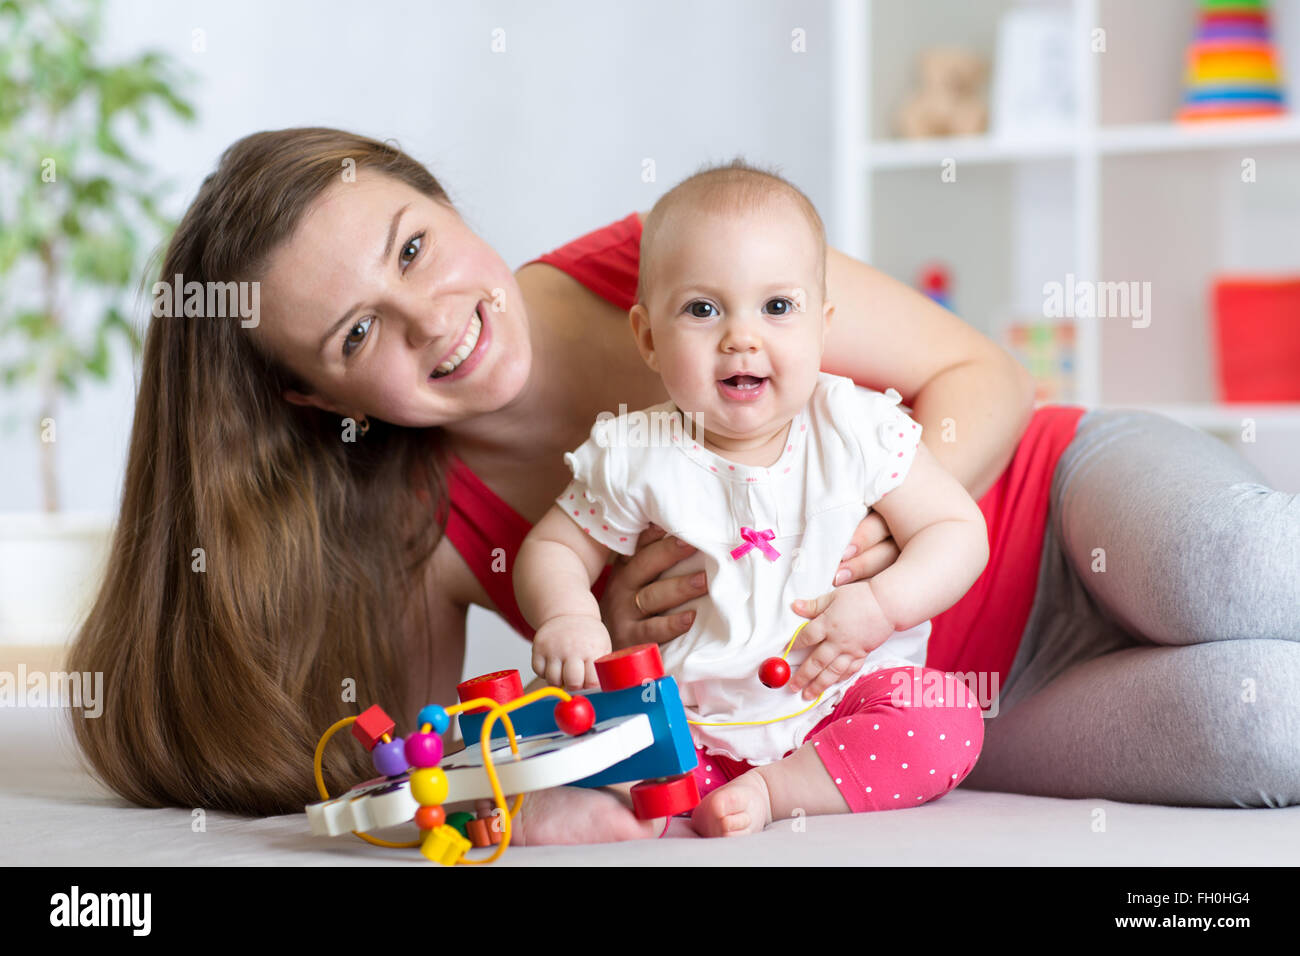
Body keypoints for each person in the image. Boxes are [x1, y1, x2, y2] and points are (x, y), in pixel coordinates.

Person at [65, 127, 1299, 837]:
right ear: (320, 402)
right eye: (355, 335)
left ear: (447, 203)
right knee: (1264, 718)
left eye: (414, 246)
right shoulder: (427, 529)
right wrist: (567, 684)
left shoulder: (663, 262)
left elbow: (982, 370)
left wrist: (861, 524)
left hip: (1045, 500)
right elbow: (427, 760)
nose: (431, 319)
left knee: (1238, 566)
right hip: (948, 698)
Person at [513, 162, 990, 837]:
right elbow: (555, 545)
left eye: (777, 307)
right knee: (584, 720)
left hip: (839, 702)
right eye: (703, 309)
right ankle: (623, 802)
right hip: (689, 721)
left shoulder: (854, 426)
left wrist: (882, 605)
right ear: (648, 337)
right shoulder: (636, 453)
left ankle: (779, 790)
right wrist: (566, 615)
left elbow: (955, 529)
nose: (742, 336)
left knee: (944, 719)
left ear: (822, 327)